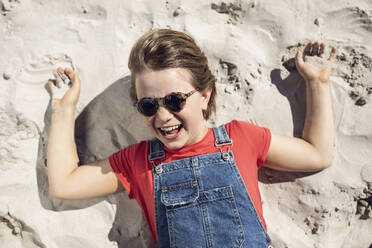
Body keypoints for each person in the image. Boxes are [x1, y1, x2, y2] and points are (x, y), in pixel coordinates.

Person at [47, 29, 336, 247]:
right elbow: (65, 184)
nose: (162, 116)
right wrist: (63, 110)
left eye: (174, 100)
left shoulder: (241, 138)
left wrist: (317, 83)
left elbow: (317, 155)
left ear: (204, 95)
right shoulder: (139, 161)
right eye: (148, 105)